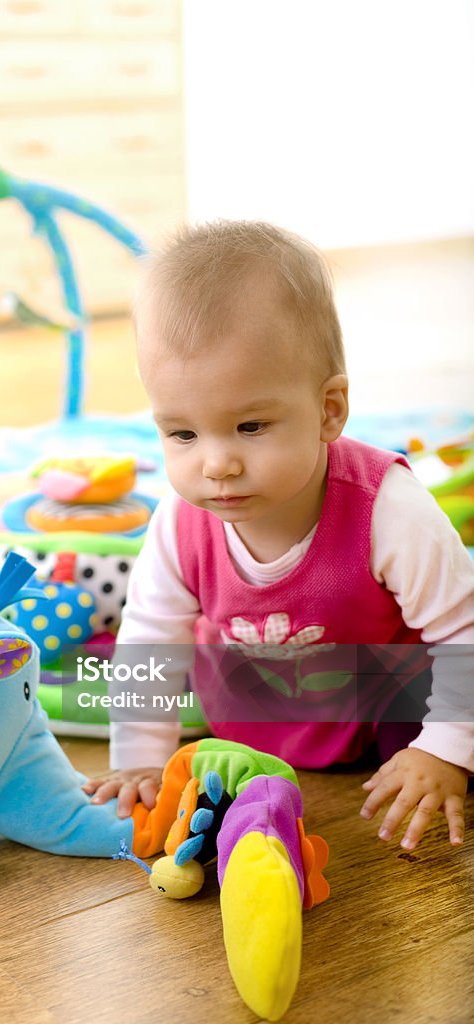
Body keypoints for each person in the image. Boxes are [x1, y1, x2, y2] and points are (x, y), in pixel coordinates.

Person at [83, 220, 474, 850]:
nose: (217, 463)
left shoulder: (389, 510)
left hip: (387, 709)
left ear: (329, 409)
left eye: (249, 425)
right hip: (251, 715)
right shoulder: (180, 523)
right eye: (182, 434)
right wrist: (142, 758)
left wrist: (448, 748)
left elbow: (464, 632)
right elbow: (150, 642)